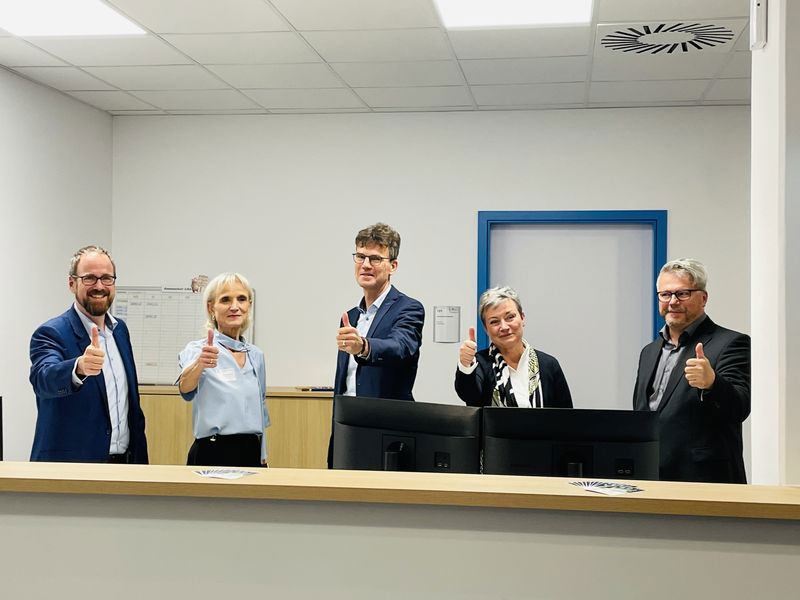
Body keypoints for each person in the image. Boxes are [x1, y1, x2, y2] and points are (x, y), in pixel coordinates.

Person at [632, 258, 750, 483]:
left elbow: (740, 407)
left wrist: (713, 384)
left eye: (682, 294)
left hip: (705, 480)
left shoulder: (731, 343)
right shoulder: (649, 351)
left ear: (703, 298)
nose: (673, 301)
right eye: (665, 294)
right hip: (651, 476)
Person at [29, 245, 148, 463]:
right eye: (90, 278)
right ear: (72, 283)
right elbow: (42, 379)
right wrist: (79, 367)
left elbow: (130, 404)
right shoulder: (52, 332)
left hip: (126, 464)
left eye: (106, 278)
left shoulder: (120, 331)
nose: (99, 286)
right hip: (73, 468)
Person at [329, 223, 424, 467]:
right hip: (346, 429)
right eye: (360, 256)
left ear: (393, 265)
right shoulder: (351, 316)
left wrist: (364, 347)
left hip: (387, 432)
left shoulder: (409, 308)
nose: (366, 264)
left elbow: (401, 346)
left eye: (375, 258)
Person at [178, 272, 269, 467]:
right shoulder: (198, 349)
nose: (235, 306)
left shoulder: (256, 355)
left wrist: (263, 455)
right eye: (226, 300)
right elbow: (185, 388)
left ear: (249, 306)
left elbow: (260, 407)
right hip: (212, 451)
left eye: (241, 299)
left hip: (251, 450)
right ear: (212, 307)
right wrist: (200, 363)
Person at [455, 286, 572, 408]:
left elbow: (566, 417)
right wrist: (465, 365)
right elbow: (469, 396)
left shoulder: (548, 364)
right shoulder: (479, 362)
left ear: (522, 318)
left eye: (510, 317)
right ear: (486, 329)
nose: (504, 327)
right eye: (494, 322)